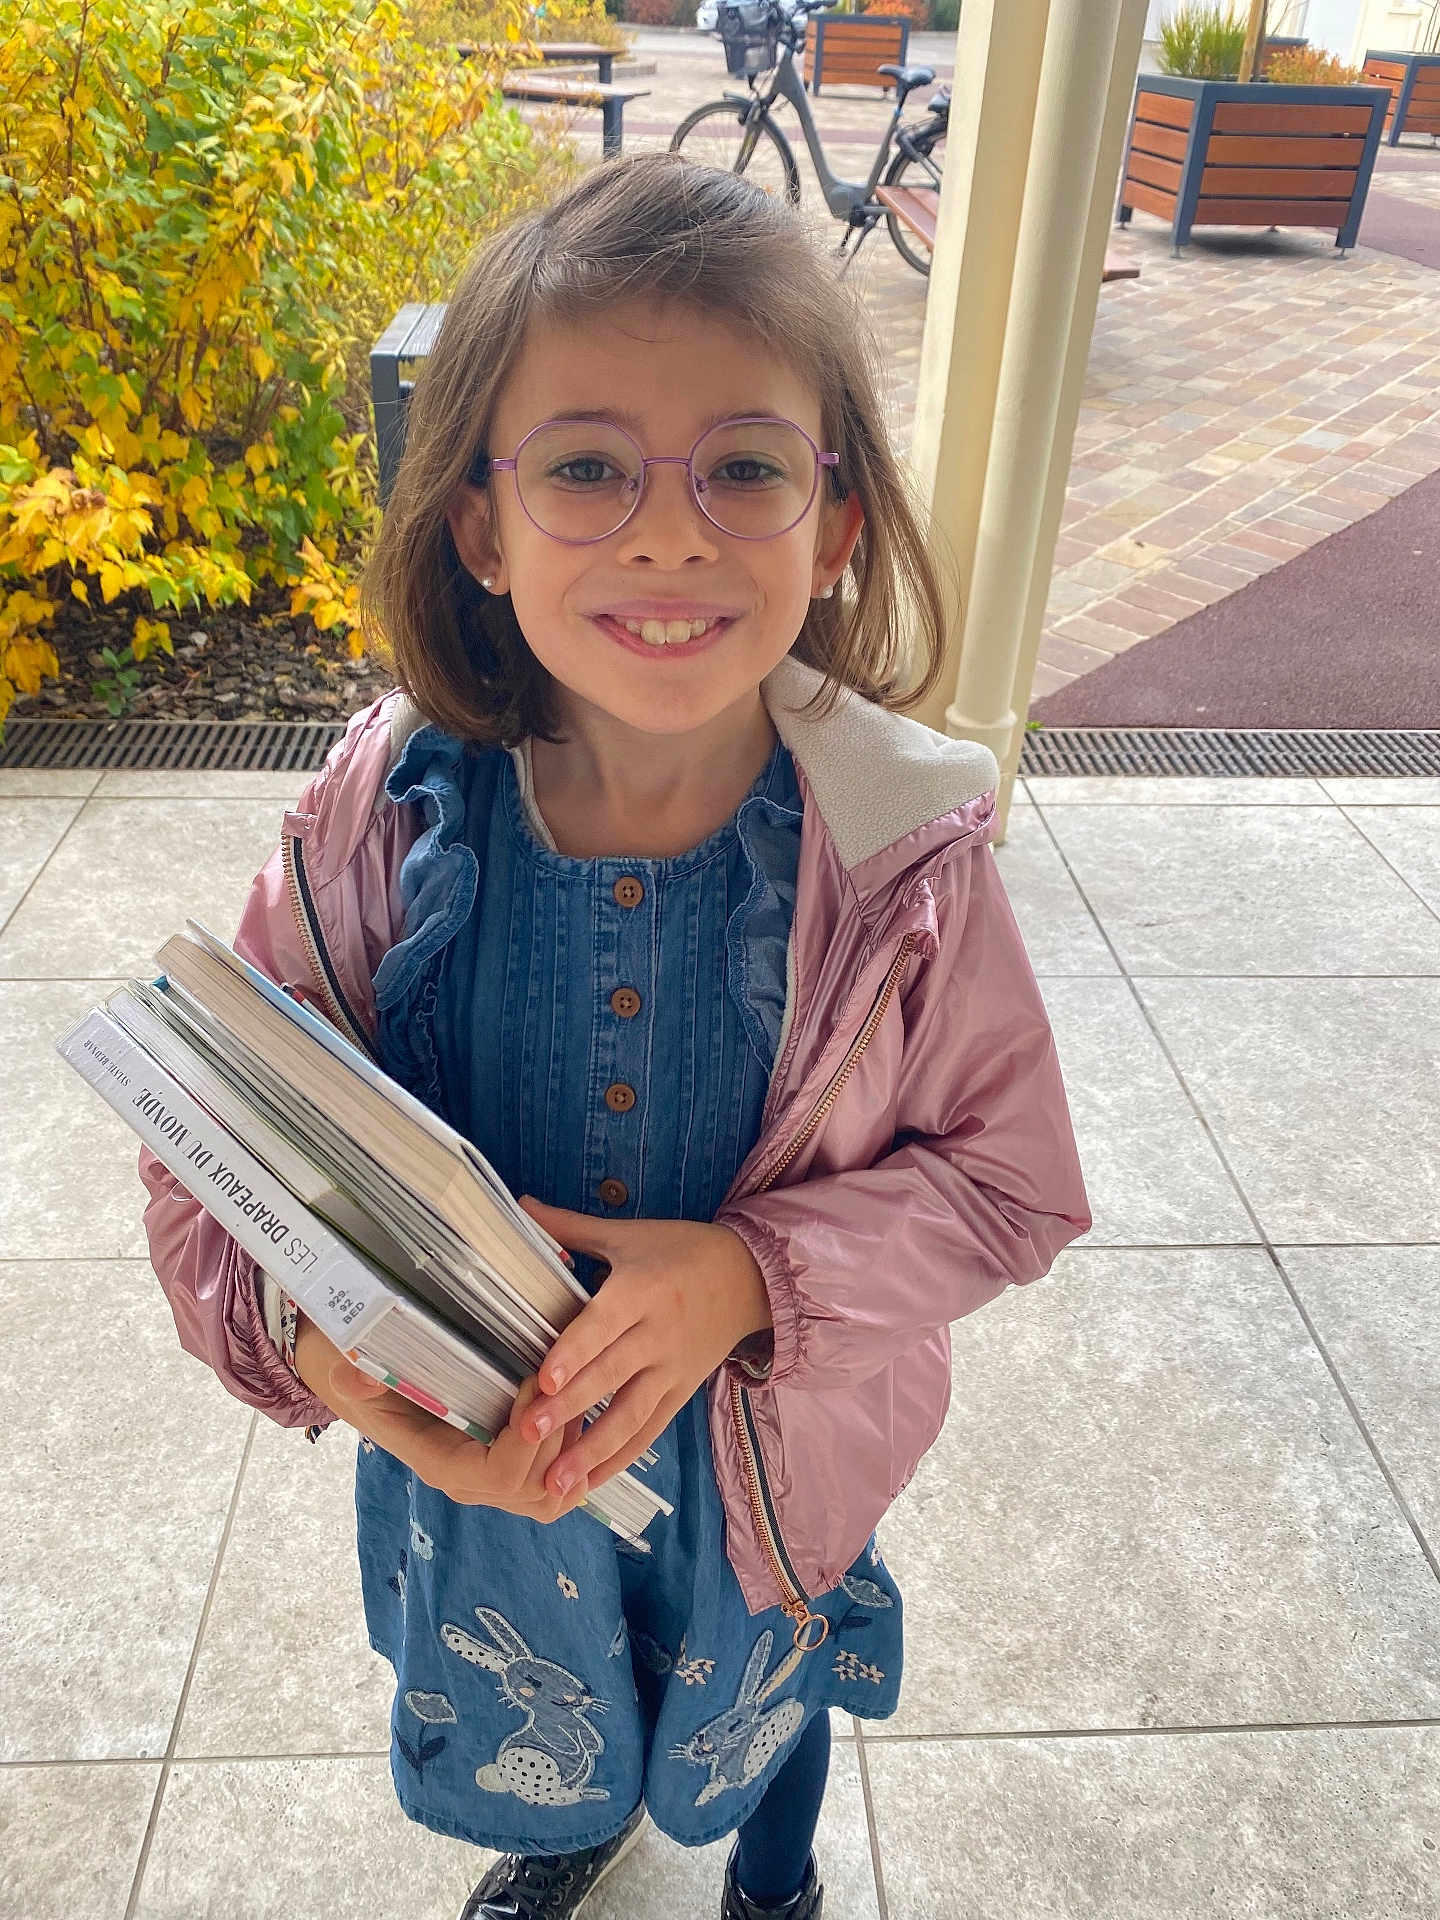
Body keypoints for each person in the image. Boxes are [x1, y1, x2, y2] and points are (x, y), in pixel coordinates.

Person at [139, 154, 1091, 1920]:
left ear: (837, 524)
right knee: (544, 1690)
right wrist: (311, 1341)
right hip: (489, 1490)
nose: (670, 534)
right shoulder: (380, 822)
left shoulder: (908, 866)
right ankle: (563, 1831)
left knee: (778, 1703)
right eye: (586, 467)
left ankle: (776, 1880)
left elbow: (1014, 1187)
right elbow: (212, 1154)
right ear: (481, 528)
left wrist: (752, 1276)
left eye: (746, 467)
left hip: (776, 1481)